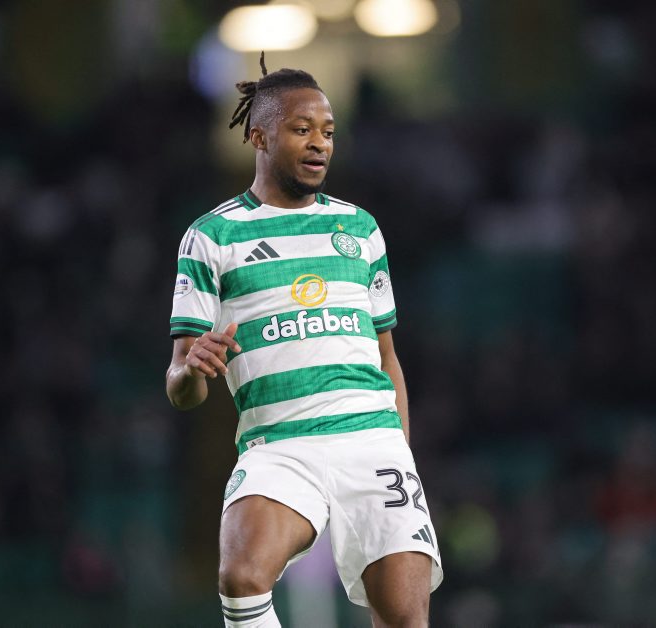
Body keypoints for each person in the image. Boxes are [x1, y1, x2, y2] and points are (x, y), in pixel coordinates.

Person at [165, 53, 442, 627]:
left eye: (328, 132)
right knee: (241, 576)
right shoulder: (212, 236)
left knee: (403, 619)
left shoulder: (359, 228)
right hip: (279, 443)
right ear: (259, 136)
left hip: (372, 439)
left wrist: (401, 455)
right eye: (301, 129)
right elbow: (180, 386)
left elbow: (387, 357)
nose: (319, 143)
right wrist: (191, 369)